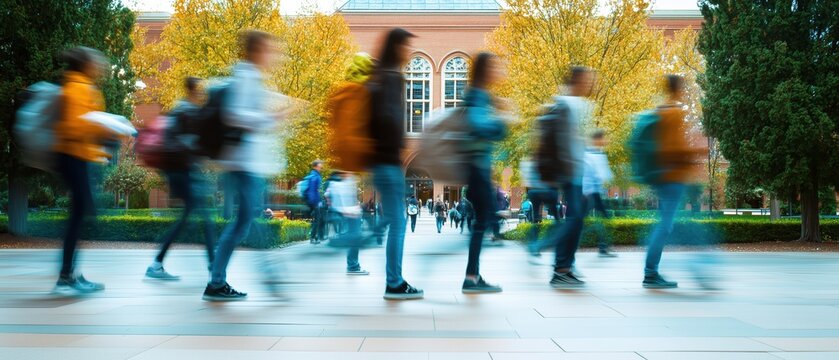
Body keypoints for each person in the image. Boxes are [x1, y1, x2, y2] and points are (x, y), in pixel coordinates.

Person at [203, 30, 285, 301]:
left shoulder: (250, 76)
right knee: (249, 221)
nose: (271, 55)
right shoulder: (246, 75)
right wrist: (268, 118)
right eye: (268, 49)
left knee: (244, 222)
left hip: (245, 162)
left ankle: (217, 281)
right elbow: (234, 115)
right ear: (257, 50)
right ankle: (267, 275)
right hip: (243, 163)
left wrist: (270, 118)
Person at [52, 47, 126, 293]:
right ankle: (66, 276)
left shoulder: (80, 86)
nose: (100, 66)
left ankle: (69, 274)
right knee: (80, 216)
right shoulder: (76, 88)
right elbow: (73, 128)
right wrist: (103, 128)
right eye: (96, 62)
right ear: (85, 64)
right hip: (73, 158)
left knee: (80, 215)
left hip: (79, 158)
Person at [369, 28, 423, 300]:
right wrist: (400, 144)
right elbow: (389, 117)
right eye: (406, 47)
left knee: (391, 219)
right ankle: (394, 282)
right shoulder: (391, 77)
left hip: (379, 159)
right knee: (398, 223)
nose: (408, 52)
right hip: (387, 159)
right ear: (396, 48)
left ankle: (358, 238)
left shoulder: (377, 76)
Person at [146, 77, 217, 281]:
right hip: (183, 172)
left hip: (180, 171)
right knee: (205, 218)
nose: (203, 96)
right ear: (194, 91)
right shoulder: (187, 111)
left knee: (192, 218)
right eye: (201, 92)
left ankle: (157, 263)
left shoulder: (180, 110)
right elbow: (192, 143)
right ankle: (214, 269)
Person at [642, 75, 708, 289]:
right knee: (666, 226)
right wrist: (696, 150)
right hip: (671, 177)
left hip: (664, 175)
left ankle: (651, 271)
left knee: (667, 224)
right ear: (679, 89)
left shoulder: (663, 111)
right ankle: (651, 272)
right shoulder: (673, 113)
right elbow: (671, 149)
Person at [460, 52, 509, 294]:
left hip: (478, 167)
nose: (499, 71)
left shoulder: (481, 95)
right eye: (495, 67)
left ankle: (472, 276)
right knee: (484, 221)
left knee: (483, 221)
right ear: (485, 70)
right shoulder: (478, 96)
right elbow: (478, 125)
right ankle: (471, 277)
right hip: (476, 167)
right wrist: (501, 122)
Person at [545, 66, 596, 289]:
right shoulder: (568, 105)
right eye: (586, 79)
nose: (590, 84)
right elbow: (567, 144)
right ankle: (561, 268)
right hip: (570, 172)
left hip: (574, 171)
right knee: (574, 219)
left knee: (575, 219)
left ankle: (565, 267)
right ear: (577, 80)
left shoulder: (572, 104)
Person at [325, 171, 369, 275]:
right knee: (355, 237)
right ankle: (353, 266)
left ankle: (353, 266)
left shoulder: (343, 179)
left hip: (351, 211)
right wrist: (349, 210)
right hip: (350, 212)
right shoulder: (341, 180)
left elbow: (329, 194)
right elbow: (339, 197)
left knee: (355, 237)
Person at [583, 129, 617, 258]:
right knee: (584, 222)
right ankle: (602, 247)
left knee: (601, 218)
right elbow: (601, 175)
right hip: (591, 193)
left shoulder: (595, 153)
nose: (605, 140)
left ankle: (603, 247)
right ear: (597, 139)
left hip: (594, 193)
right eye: (603, 138)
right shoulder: (592, 154)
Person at [304, 160, 324, 244]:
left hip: (314, 201)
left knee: (317, 219)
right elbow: (313, 190)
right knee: (317, 219)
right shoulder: (314, 176)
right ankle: (312, 237)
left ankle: (315, 236)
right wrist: (315, 202)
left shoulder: (316, 175)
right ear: (315, 166)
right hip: (314, 201)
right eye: (320, 165)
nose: (321, 166)